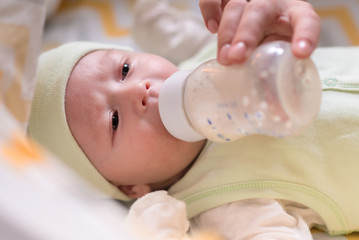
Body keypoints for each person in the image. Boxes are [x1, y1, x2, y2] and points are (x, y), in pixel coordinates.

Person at [28, 0, 359, 239]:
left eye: (125, 69)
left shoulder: (216, 54)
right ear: (131, 188)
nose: (136, 91)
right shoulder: (223, 203)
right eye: (113, 121)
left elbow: (159, 20)